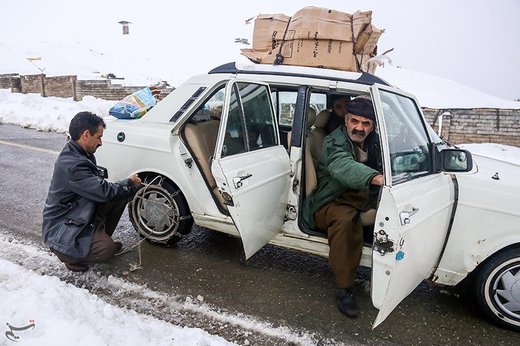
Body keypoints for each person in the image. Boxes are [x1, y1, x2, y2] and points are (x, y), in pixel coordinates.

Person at [302, 97, 383, 318]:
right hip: (327, 202)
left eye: (366, 123)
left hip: (354, 194)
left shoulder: (373, 141)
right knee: (347, 219)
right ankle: (344, 287)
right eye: (354, 121)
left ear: (373, 126)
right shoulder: (334, 141)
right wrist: (376, 178)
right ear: (346, 120)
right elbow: (342, 166)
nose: (359, 127)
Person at [42, 111, 142, 272]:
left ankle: (97, 240)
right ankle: (71, 256)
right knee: (106, 249)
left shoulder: (79, 152)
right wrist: (130, 183)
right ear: (86, 135)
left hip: (75, 213)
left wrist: (128, 188)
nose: (101, 142)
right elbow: (103, 191)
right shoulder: (74, 164)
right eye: (99, 137)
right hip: (60, 229)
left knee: (118, 196)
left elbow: (102, 189)